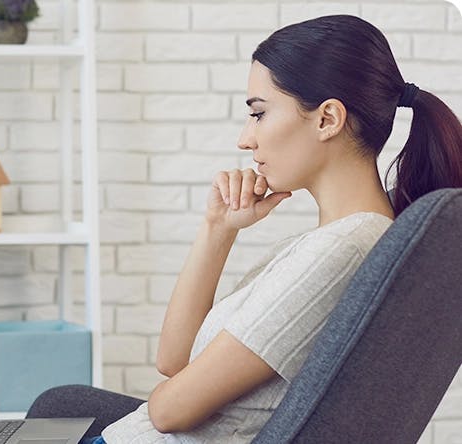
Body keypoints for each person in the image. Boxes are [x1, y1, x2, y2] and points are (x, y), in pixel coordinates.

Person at [26, 14, 462, 444]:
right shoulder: (345, 241)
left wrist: (172, 398)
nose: (245, 139)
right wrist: (218, 228)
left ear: (327, 119)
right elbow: (174, 361)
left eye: (258, 113)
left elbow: (169, 410)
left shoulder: (341, 249)